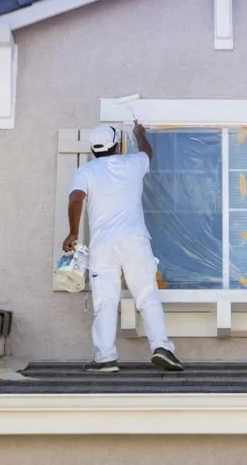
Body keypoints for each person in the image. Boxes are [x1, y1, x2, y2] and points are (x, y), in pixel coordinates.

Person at [63, 122, 184, 373]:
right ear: (117, 144)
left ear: (94, 149)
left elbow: (76, 198)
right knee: (147, 295)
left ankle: (105, 357)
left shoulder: (86, 171)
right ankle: (162, 347)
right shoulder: (132, 164)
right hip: (135, 241)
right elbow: (147, 153)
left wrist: (73, 232)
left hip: (103, 246)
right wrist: (140, 134)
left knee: (105, 301)